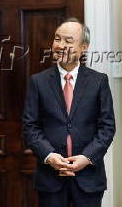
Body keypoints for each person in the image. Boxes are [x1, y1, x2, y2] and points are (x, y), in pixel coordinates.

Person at [23, 18, 115, 207]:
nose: (61, 45)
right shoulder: (38, 82)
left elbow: (107, 127)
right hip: (50, 177)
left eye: (68, 41)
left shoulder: (98, 81)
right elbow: (30, 126)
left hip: (88, 177)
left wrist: (86, 157)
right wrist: (50, 156)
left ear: (83, 47)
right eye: (57, 39)